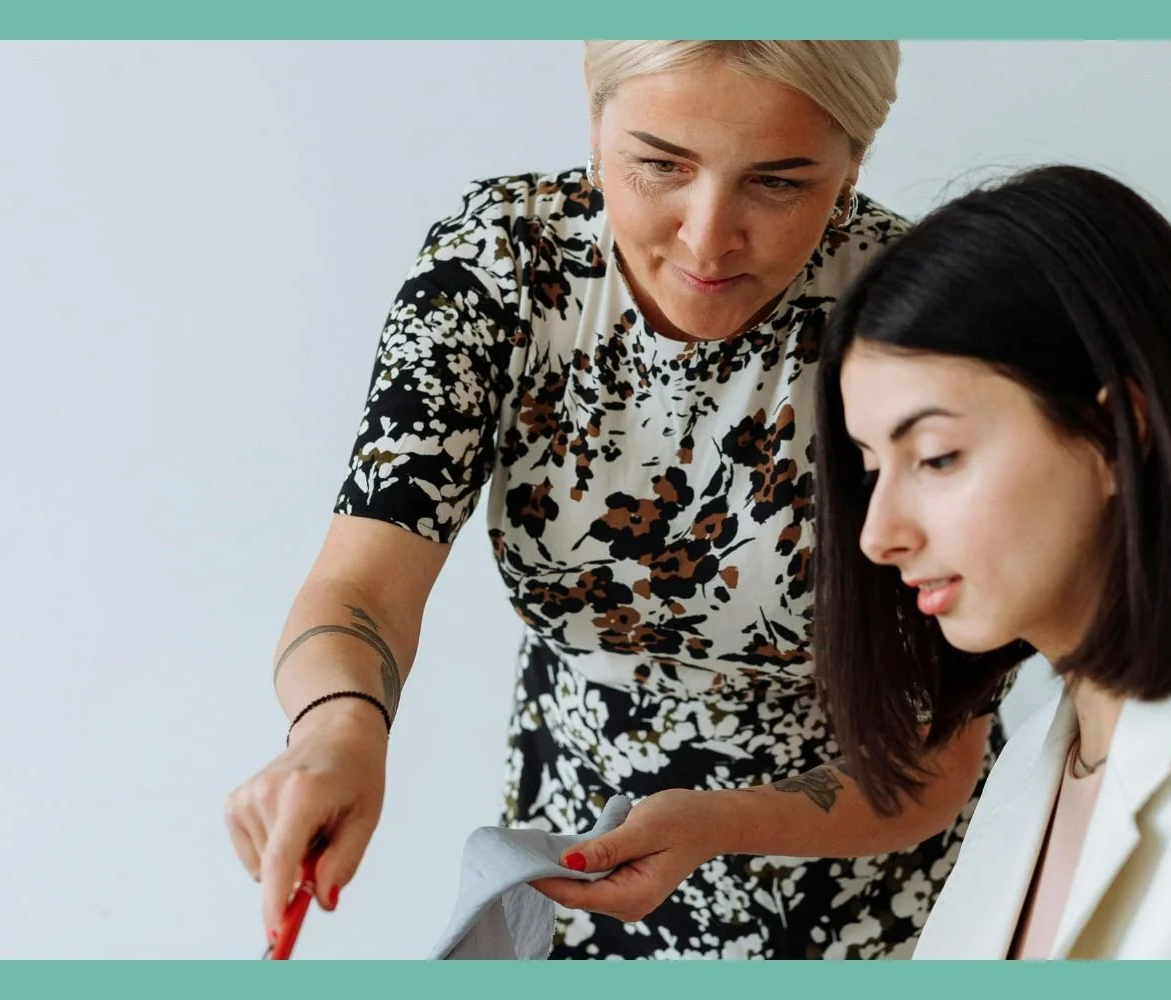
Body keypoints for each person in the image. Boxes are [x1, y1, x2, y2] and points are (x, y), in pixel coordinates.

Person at [224, 40, 1014, 959]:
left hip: (862, 867)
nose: (707, 237)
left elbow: (937, 756)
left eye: (777, 183)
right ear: (597, 120)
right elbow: (363, 583)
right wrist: (337, 731)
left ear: (853, 164)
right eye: (660, 166)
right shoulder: (503, 267)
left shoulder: (917, 322)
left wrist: (718, 822)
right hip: (577, 840)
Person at [809, 163, 1171, 959]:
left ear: (1116, 433)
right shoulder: (1037, 760)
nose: (878, 534)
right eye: (870, 469)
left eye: (935, 457)